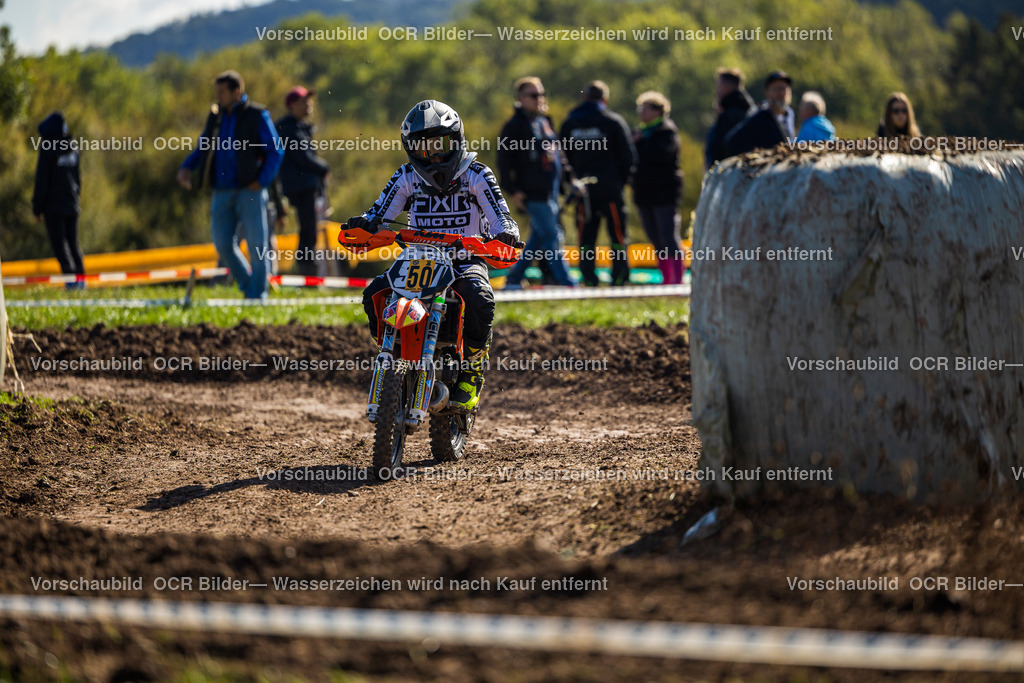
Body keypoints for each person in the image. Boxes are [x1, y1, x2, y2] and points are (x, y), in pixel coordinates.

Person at [350, 100, 519, 412]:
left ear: (456, 140)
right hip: (419, 260)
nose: (433, 156)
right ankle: (393, 352)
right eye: (422, 148)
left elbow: (501, 216)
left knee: (480, 297)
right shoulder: (406, 176)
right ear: (410, 148)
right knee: (374, 293)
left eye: (440, 145)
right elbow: (378, 214)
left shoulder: (476, 174)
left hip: (464, 258)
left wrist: (506, 232)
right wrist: (363, 223)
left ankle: (472, 368)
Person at [177, 70, 283, 300]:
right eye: (217, 92)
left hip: (250, 190)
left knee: (257, 245)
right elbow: (204, 146)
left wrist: (261, 181)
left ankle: (257, 296)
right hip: (221, 190)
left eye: (222, 92)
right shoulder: (216, 116)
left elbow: (276, 151)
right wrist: (187, 167)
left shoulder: (257, 114)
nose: (218, 96)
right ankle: (248, 285)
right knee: (222, 244)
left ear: (237, 91)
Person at [496, 77, 576, 289]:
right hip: (532, 192)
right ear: (521, 98)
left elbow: (558, 155)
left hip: (551, 191)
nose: (540, 99)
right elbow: (504, 161)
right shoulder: (514, 126)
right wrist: (513, 190)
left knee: (538, 238)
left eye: (541, 94)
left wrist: (571, 179)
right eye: (534, 95)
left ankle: (513, 279)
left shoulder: (544, 122)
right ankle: (567, 283)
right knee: (552, 235)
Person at [559, 80, 637, 287]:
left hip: (582, 190)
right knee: (617, 235)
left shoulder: (571, 122)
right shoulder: (613, 121)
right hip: (611, 189)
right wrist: (620, 182)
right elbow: (628, 156)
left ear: (585, 97)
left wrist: (570, 183)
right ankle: (619, 278)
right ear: (605, 99)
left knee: (585, 237)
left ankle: (588, 279)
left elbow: (561, 157)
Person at [276, 86, 330, 277]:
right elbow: (303, 158)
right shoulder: (290, 128)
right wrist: (324, 168)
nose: (308, 104)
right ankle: (307, 272)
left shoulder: (297, 126)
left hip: (304, 186)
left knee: (309, 228)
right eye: (303, 101)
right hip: (300, 187)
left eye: (309, 100)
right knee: (308, 229)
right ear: (292, 105)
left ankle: (307, 271)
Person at [632, 91, 684, 285]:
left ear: (658, 111)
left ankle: (677, 279)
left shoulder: (666, 131)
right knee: (655, 237)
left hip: (664, 192)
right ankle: (666, 278)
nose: (641, 112)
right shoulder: (639, 132)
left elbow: (663, 155)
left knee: (668, 236)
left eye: (645, 108)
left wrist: (641, 144)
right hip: (644, 192)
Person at [32, 112, 85, 287]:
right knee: (73, 245)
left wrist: (37, 208)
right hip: (72, 204)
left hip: (53, 208)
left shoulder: (48, 148)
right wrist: (76, 199)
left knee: (61, 248)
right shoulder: (73, 146)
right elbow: (78, 178)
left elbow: (42, 181)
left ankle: (71, 285)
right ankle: (81, 283)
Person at [724, 71, 794, 158]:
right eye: (776, 89)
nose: (781, 93)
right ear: (767, 93)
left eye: (784, 89)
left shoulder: (789, 114)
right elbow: (732, 143)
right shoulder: (760, 116)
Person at [705, 67, 755, 168]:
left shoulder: (728, 115)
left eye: (719, 84)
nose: (716, 89)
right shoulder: (750, 111)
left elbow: (719, 149)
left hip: (729, 169)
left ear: (726, 86)